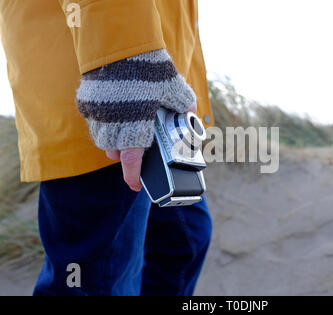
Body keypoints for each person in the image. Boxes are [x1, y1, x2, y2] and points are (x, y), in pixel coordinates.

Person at [0, 0, 214, 296]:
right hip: (109, 102)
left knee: (184, 243)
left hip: (159, 96)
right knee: (95, 282)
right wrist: (125, 56)